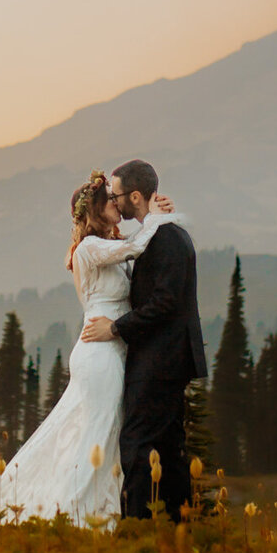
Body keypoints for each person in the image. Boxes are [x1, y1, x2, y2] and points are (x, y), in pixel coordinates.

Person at [0, 169, 179, 523]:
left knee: (102, 435)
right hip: (100, 352)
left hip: (113, 347)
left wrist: (154, 216)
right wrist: (157, 218)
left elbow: (136, 250)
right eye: (109, 200)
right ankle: (74, 514)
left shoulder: (103, 246)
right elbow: (136, 246)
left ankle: (98, 512)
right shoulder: (89, 248)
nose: (116, 204)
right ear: (94, 210)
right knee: (99, 434)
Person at [79, 158, 206, 521]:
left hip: (161, 359)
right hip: (164, 357)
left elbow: (165, 302)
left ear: (135, 196)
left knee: (136, 444)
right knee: (167, 447)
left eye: (117, 195)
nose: (114, 202)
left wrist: (116, 328)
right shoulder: (159, 232)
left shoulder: (165, 237)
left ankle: (138, 526)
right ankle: (176, 523)